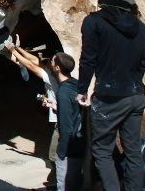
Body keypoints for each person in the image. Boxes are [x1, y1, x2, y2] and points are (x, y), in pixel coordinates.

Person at [76, 0, 145, 191]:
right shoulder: (142, 29)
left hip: (109, 96)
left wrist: (82, 90)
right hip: (136, 95)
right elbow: (142, 64)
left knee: (101, 150)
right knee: (133, 151)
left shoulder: (93, 22)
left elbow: (88, 59)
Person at [6, 40, 61, 164]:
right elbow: (36, 61)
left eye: (51, 61)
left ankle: (60, 176)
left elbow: (32, 66)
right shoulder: (58, 73)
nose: (47, 62)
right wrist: (18, 49)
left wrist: (13, 51)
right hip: (59, 115)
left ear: (57, 67)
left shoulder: (52, 78)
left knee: (54, 154)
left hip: (61, 119)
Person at [52, 52, 85, 191]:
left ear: (57, 68)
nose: (51, 64)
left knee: (64, 186)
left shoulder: (63, 92)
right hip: (80, 143)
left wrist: (62, 151)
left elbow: (65, 126)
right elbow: (75, 110)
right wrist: (57, 107)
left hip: (69, 149)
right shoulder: (76, 84)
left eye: (52, 62)